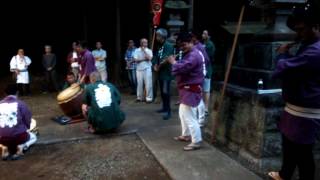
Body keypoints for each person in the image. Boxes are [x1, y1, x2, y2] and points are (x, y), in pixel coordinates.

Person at [268, 3, 320, 180]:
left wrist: (283, 54)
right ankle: (284, 174)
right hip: (295, 107)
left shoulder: (315, 51)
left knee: (303, 154)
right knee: (289, 146)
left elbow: (283, 70)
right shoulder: (308, 44)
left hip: (306, 112)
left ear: (316, 26)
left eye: (302, 29)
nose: (298, 34)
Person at [167, 32, 205, 151]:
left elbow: (182, 68)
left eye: (184, 45)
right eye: (181, 46)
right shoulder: (191, 53)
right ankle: (186, 135)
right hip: (187, 88)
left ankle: (196, 140)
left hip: (191, 89)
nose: (182, 48)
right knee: (183, 114)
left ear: (191, 42)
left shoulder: (194, 55)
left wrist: (173, 62)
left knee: (189, 116)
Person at [0, 84, 37, 160]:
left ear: (5, 93)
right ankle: (21, 147)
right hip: (19, 137)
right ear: (17, 93)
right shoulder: (21, 104)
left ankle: (4, 147)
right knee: (34, 137)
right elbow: (27, 119)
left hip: (2, 139)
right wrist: (27, 128)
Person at [153, 28, 175, 120]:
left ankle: (169, 111)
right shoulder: (160, 46)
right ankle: (164, 107)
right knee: (162, 92)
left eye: (158, 35)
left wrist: (159, 66)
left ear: (162, 36)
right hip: (161, 73)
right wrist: (154, 64)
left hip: (166, 73)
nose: (156, 37)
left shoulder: (168, 45)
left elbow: (166, 58)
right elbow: (156, 57)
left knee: (166, 92)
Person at [191, 32, 211, 127]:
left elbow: (206, 60)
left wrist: (200, 71)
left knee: (198, 96)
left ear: (195, 38)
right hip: (196, 74)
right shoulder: (195, 47)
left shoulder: (199, 47)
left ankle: (201, 119)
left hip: (199, 74)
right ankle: (197, 118)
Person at [133, 38, 153, 103]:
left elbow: (149, 58)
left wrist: (144, 51)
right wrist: (144, 59)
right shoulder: (136, 50)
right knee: (139, 84)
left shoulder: (149, 50)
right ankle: (139, 97)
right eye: (144, 42)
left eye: (146, 42)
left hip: (147, 68)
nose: (145, 44)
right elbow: (135, 60)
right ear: (141, 43)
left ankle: (149, 98)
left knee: (148, 83)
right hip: (138, 69)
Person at [201, 30, 215, 117]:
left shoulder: (210, 45)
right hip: (201, 69)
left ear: (209, 36)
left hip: (207, 69)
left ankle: (206, 108)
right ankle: (202, 107)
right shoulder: (202, 44)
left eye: (205, 33)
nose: (203, 35)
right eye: (203, 33)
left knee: (206, 90)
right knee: (201, 90)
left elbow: (208, 57)